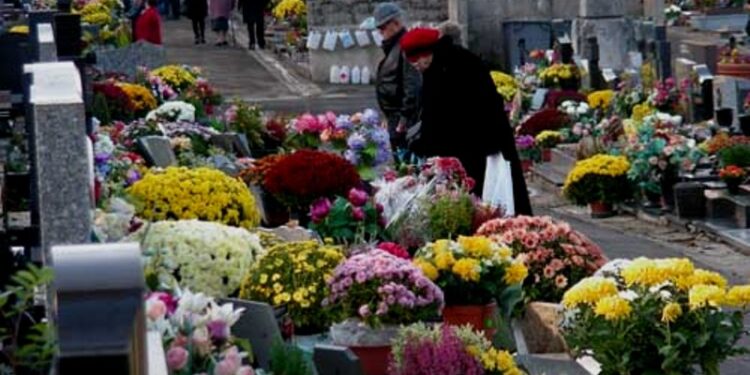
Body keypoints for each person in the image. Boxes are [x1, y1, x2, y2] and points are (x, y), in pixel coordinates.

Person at [400, 27, 532, 215]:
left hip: (479, 146)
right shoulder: (439, 66)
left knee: (488, 202)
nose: (416, 66)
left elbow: (451, 115)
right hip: (466, 146)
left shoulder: (456, 65)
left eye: (416, 61)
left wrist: (429, 145)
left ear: (427, 53)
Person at [373, 2, 421, 162]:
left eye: (383, 28)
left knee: (407, 164)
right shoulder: (394, 47)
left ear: (396, 23)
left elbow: (412, 85)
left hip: (403, 120)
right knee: (402, 163)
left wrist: (404, 119)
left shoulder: (405, 46)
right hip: (395, 118)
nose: (381, 33)